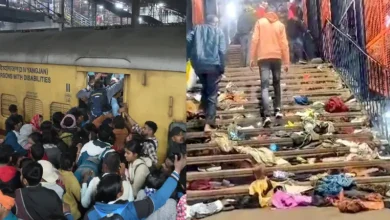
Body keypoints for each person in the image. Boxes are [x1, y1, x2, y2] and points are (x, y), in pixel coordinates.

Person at [84, 154, 186, 219]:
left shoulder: (89, 214)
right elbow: (159, 198)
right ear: (119, 194)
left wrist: (67, 215)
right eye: (121, 186)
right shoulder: (131, 210)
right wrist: (177, 171)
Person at [250, 7, 290, 127]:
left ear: (266, 13)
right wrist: (286, 61)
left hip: (263, 58)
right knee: (276, 83)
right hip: (277, 57)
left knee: (265, 86)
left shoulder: (260, 23)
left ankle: (266, 115)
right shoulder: (280, 25)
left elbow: (254, 40)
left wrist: (252, 57)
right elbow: (284, 44)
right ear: (276, 14)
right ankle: (277, 110)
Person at [187, 15, 227, 132]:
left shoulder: (196, 29)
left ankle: (201, 111)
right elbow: (221, 50)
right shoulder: (218, 31)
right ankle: (209, 124)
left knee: (206, 87)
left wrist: (189, 55)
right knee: (212, 93)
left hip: (198, 64)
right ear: (215, 22)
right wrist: (222, 68)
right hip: (213, 66)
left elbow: (188, 40)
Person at [59, 153, 81, 220]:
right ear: (73, 164)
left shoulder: (57, 172)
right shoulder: (73, 180)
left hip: (60, 208)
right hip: (72, 212)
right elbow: (80, 197)